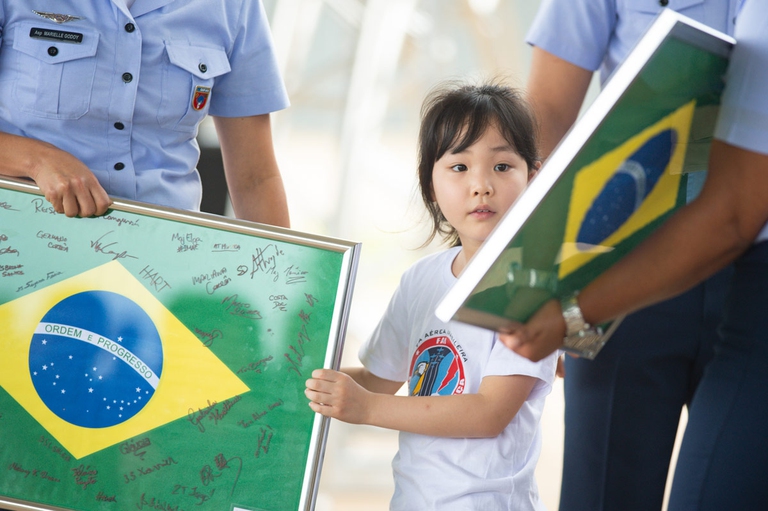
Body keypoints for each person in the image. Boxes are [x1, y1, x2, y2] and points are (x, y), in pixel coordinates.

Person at [502, 1, 768, 509]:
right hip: (627, 276)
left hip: (753, 277)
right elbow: (549, 112)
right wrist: (532, 270)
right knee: (604, 492)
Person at [304, 81, 559, 510]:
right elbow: (378, 379)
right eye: (459, 167)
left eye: (501, 166)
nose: (481, 185)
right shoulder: (421, 280)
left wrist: (366, 409)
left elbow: (488, 413)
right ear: (431, 185)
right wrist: (304, 380)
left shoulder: (531, 287)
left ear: (533, 178)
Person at [0, 0, 290, 227]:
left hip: (167, 261)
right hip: (27, 248)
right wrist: (37, 160)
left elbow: (255, 179)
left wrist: (281, 287)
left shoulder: (233, 6)